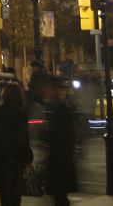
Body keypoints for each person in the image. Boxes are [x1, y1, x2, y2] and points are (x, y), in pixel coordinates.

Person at [0, 82, 32, 206]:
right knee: (16, 191)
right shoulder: (21, 113)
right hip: (16, 156)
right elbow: (23, 136)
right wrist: (27, 155)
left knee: (3, 190)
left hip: (1, 155)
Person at [43, 78, 77, 206]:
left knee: (60, 196)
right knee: (60, 196)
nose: (48, 92)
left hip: (59, 160)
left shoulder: (61, 110)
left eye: (50, 89)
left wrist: (45, 133)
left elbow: (59, 136)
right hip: (62, 159)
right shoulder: (61, 108)